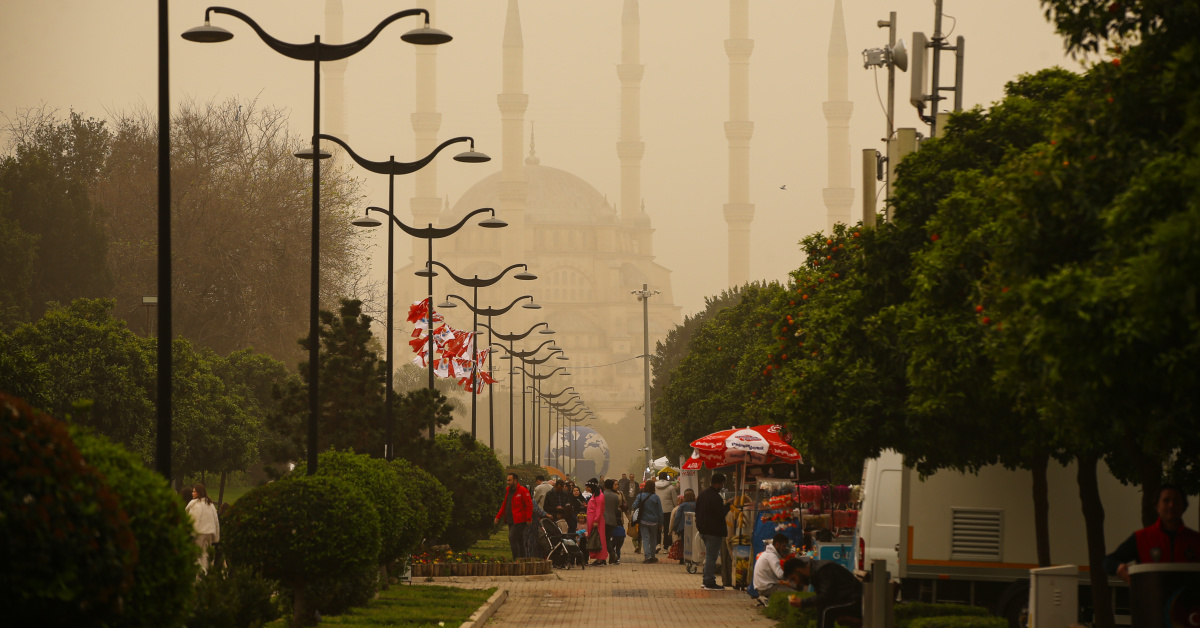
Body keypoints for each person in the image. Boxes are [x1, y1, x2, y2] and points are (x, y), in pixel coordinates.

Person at [1104, 484, 1200, 583]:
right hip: (1150, 597)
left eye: (1176, 501)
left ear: (1183, 506)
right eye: (1166, 500)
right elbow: (1108, 561)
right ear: (1157, 506)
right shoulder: (1141, 538)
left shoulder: (1196, 540)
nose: (1171, 505)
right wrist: (1119, 568)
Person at [783, 557, 863, 628]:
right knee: (823, 608)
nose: (796, 583)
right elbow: (824, 597)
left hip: (855, 600)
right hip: (847, 598)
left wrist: (803, 602)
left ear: (799, 571)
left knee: (826, 610)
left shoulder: (823, 569)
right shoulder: (816, 571)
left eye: (793, 579)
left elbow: (826, 596)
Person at [696, 473, 729, 590]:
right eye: (722, 484)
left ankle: (706, 579)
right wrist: (728, 505)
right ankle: (709, 581)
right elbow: (720, 514)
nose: (722, 486)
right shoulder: (716, 497)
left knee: (709, 555)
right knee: (711, 556)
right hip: (713, 531)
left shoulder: (702, 495)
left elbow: (697, 511)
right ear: (718, 484)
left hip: (703, 530)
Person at [494, 472, 533, 560]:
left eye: (510, 480)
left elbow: (529, 505)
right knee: (519, 540)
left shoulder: (523, 491)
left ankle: (516, 559)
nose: (508, 482)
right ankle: (523, 559)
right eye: (507, 480)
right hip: (511, 520)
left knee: (512, 538)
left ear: (515, 480)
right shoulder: (508, 491)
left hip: (520, 520)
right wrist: (498, 516)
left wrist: (528, 518)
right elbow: (505, 505)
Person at [186, 483, 221, 573]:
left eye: (194, 492)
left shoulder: (195, 504)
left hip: (199, 533)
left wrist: (191, 535)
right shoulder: (210, 504)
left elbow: (194, 520)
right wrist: (216, 536)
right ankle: (204, 575)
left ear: (199, 493)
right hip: (210, 533)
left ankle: (199, 576)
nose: (192, 493)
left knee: (196, 555)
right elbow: (215, 520)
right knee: (205, 555)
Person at [755, 533, 798, 598]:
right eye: (783, 546)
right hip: (766, 588)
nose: (784, 549)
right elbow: (780, 575)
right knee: (797, 595)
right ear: (777, 544)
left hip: (762, 586)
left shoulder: (767, 554)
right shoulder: (772, 556)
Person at [632, 481, 664, 563]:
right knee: (653, 539)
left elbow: (634, 506)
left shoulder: (640, 496)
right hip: (654, 521)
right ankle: (653, 556)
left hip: (643, 521)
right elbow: (660, 511)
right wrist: (661, 523)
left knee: (645, 538)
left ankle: (647, 556)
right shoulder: (656, 497)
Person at [585, 480, 608, 566]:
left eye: (588, 487)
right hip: (592, 519)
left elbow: (599, 509)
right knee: (594, 538)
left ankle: (600, 558)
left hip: (596, 520)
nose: (587, 489)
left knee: (599, 538)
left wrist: (596, 520)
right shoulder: (595, 495)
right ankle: (598, 557)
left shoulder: (600, 496)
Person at [671, 489, 697, 562]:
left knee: (684, 542)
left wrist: (675, 528)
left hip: (683, 527)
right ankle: (694, 558)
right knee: (694, 542)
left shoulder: (682, 505)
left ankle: (684, 558)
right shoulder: (697, 505)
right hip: (695, 527)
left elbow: (677, 517)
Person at [656, 471, 679, 549]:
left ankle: (657, 544)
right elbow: (675, 500)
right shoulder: (671, 487)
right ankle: (666, 547)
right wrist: (676, 508)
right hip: (668, 510)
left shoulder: (654, 487)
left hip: (657, 510)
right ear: (666, 478)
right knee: (667, 529)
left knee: (657, 528)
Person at [602, 479, 623, 564]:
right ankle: (612, 553)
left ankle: (610, 554)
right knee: (608, 538)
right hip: (612, 520)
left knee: (604, 539)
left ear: (605, 486)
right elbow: (616, 510)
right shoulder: (615, 496)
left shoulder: (602, 495)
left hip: (603, 520)